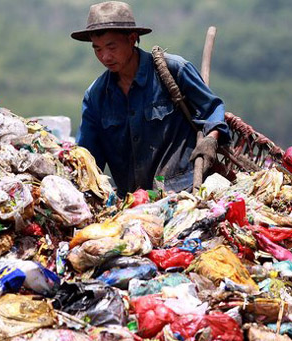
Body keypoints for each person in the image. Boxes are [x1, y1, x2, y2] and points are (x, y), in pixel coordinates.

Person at [71, 1, 230, 198]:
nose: (105, 56)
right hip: (134, 204)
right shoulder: (96, 96)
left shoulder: (173, 71)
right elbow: (88, 159)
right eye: (97, 49)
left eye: (111, 47)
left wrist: (210, 141)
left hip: (184, 195)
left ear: (132, 38)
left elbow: (213, 111)